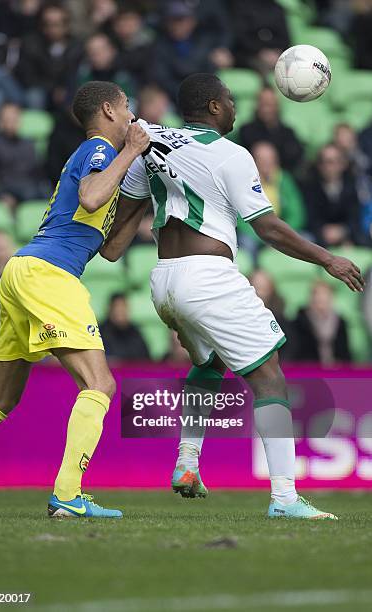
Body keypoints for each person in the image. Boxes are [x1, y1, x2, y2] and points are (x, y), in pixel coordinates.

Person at [102, 72, 364, 519]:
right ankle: (284, 498)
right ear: (216, 107)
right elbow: (268, 228)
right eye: (229, 98)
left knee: (210, 362)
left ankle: (187, 463)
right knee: (270, 378)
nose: (235, 105)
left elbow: (120, 229)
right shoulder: (231, 155)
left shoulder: (150, 144)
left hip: (163, 279)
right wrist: (328, 259)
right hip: (208, 278)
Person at [0, 81, 150, 518]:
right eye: (127, 107)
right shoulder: (101, 150)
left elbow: (111, 249)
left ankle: (67, 495)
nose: (131, 116)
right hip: (49, 273)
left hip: (23, 270)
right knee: (100, 384)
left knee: (1, 400)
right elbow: (90, 196)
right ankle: (67, 495)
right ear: (108, 109)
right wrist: (130, 153)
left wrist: (142, 198)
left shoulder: (102, 160)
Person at [14, 3, 82, 109]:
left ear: (66, 26)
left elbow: (74, 75)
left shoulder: (76, 47)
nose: (50, 29)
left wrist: (64, 89)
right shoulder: (31, 44)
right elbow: (28, 77)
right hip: (36, 91)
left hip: (66, 92)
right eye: (46, 24)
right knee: (35, 95)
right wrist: (54, 89)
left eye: (55, 24)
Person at [0, 102, 49, 209]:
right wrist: (0, 195)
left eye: (15, 119)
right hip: (7, 190)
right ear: (0, 122)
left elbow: (39, 174)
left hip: (31, 189)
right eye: (8, 119)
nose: (12, 123)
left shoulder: (29, 144)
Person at [302, 144, 364, 247]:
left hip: (347, 234)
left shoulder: (351, 187)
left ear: (342, 164)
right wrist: (324, 231)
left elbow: (355, 217)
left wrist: (343, 231)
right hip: (319, 236)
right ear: (319, 165)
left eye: (333, 162)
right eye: (324, 162)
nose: (329, 167)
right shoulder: (310, 188)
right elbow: (310, 218)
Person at [238, 87, 304, 174]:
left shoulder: (288, 133)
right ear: (257, 105)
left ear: (277, 106)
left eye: (270, 104)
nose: (266, 109)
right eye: (263, 104)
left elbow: (296, 160)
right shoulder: (246, 131)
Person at [290, 281, 351, 364]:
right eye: (318, 295)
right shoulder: (300, 322)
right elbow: (297, 351)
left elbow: (345, 353)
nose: (321, 299)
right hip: (309, 370)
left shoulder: (340, 322)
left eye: (325, 295)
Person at [100, 293, 150, 362]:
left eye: (123, 306)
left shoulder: (135, 333)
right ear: (110, 309)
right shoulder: (100, 333)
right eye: (117, 307)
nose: (120, 311)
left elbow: (147, 360)